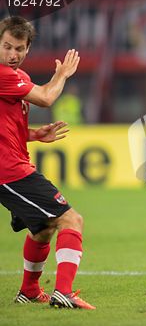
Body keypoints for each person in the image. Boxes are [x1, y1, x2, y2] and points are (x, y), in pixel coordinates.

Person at [0, 16, 95, 309]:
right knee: (71, 219)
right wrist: (63, 75)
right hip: (9, 170)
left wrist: (34, 135)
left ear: (28, 49)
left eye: (18, 48)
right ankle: (64, 292)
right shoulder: (3, 74)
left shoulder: (19, 77)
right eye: (6, 46)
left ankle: (29, 290)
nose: (12, 54)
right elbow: (46, 97)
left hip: (13, 164)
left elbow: (8, 127)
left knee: (42, 228)